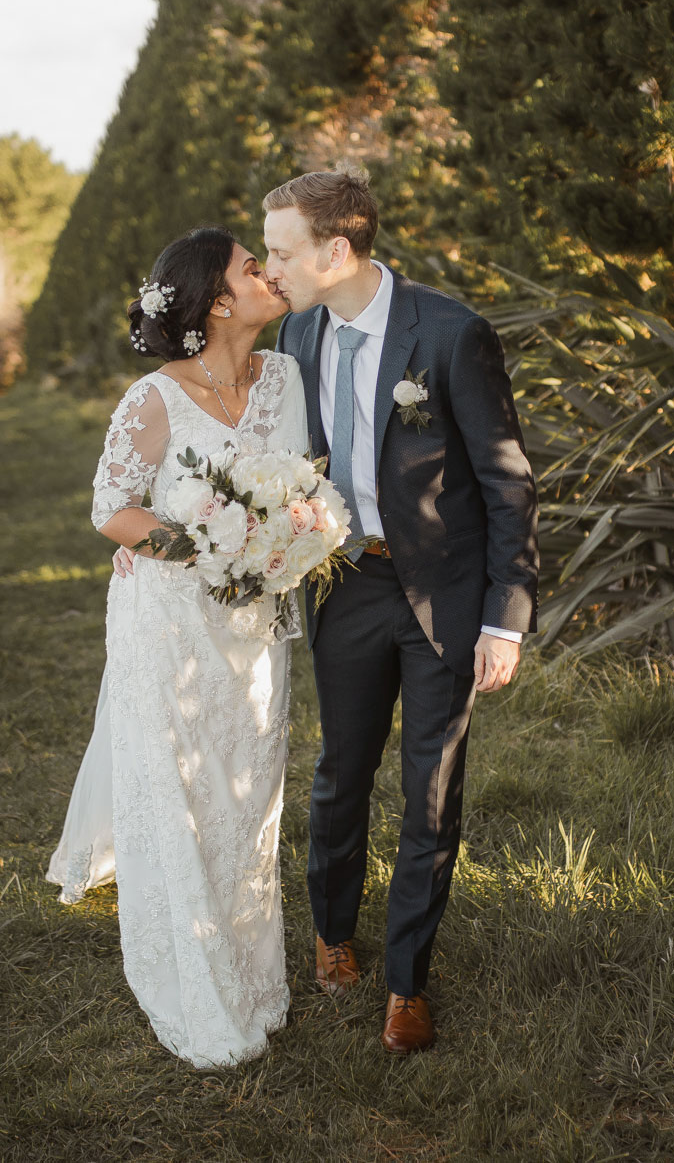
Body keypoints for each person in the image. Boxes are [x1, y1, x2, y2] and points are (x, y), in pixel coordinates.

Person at [265, 170, 539, 1054]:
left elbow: (507, 481)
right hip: (344, 583)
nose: (270, 269)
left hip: (445, 599)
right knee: (342, 772)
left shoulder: (451, 334)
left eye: (280, 252)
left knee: (431, 787)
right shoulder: (296, 331)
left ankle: (407, 981)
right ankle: (332, 930)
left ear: (334, 251)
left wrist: (506, 617)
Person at [45, 225, 306, 1068]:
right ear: (221, 300)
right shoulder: (153, 400)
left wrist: (285, 540)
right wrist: (199, 547)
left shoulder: (285, 378)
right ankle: (194, 979)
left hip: (256, 624)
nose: (271, 274)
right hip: (170, 622)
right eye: (253, 267)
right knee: (185, 795)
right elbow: (110, 508)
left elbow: (303, 488)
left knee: (249, 795)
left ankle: (255, 966)